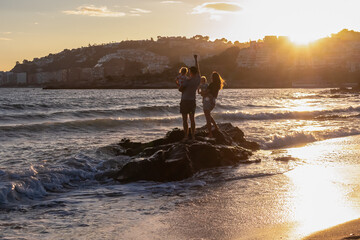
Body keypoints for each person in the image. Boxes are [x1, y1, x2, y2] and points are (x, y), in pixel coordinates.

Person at [179, 55, 201, 140]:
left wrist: (178, 84)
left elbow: (181, 90)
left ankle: (186, 136)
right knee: (192, 119)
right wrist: (196, 59)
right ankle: (193, 136)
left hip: (185, 101)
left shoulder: (187, 81)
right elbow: (198, 69)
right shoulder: (198, 79)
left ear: (191, 72)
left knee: (185, 119)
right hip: (192, 101)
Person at [201, 71, 225, 138]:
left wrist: (202, 93)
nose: (211, 77)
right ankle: (216, 127)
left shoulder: (211, 84)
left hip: (208, 101)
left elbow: (206, 92)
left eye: (211, 76)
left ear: (213, 77)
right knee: (208, 115)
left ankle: (210, 133)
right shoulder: (218, 85)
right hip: (213, 101)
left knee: (207, 117)